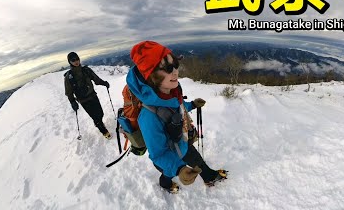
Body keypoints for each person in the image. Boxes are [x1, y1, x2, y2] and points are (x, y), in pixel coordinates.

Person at [126, 40, 227, 194]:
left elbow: (177, 108)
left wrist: (192, 105)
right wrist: (179, 169)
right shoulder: (148, 117)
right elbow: (158, 154)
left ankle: (209, 177)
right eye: (167, 68)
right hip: (170, 154)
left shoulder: (172, 94)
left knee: (197, 160)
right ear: (151, 75)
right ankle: (166, 184)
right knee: (168, 172)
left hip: (182, 143)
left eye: (175, 65)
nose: (175, 72)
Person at [64, 52, 112, 140]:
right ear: (70, 62)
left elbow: (96, 79)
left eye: (77, 58)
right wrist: (72, 102)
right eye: (73, 60)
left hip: (93, 95)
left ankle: (99, 123)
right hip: (83, 100)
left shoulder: (86, 70)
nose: (76, 61)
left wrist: (104, 83)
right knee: (94, 116)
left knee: (100, 113)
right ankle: (103, 130)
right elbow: (69, 92)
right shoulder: (68, 76)